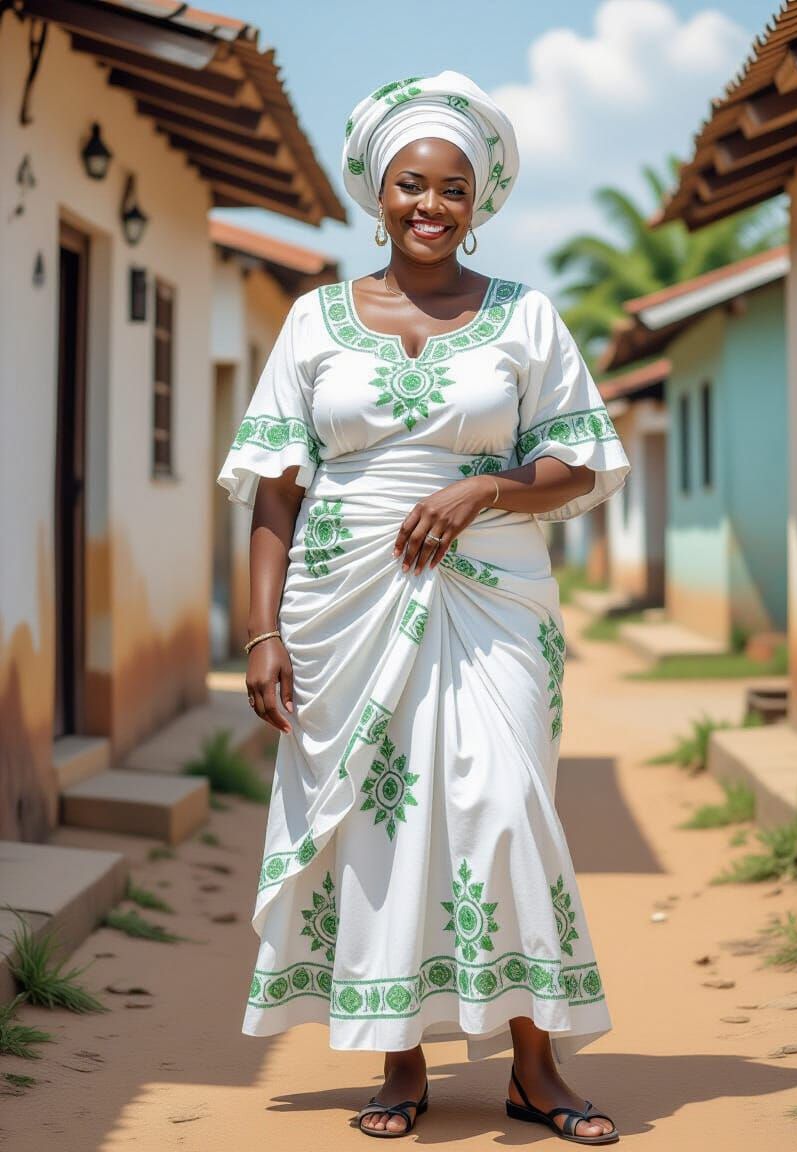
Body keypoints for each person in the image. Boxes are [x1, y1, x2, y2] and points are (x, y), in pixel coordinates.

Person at [216, 69, 630, 1144]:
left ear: (480, 198)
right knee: (378, 820)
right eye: (411, 184)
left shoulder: (524, 317)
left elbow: (578, 465)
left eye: (453, 187)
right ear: (378, 192)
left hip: (492, 597)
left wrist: (488, 484)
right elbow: (275, 488)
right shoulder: (311, 322)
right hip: (340, 602)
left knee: (505, 807)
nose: (430, 206)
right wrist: (258, 632)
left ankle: (533, 1064)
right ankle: (398, 1060)